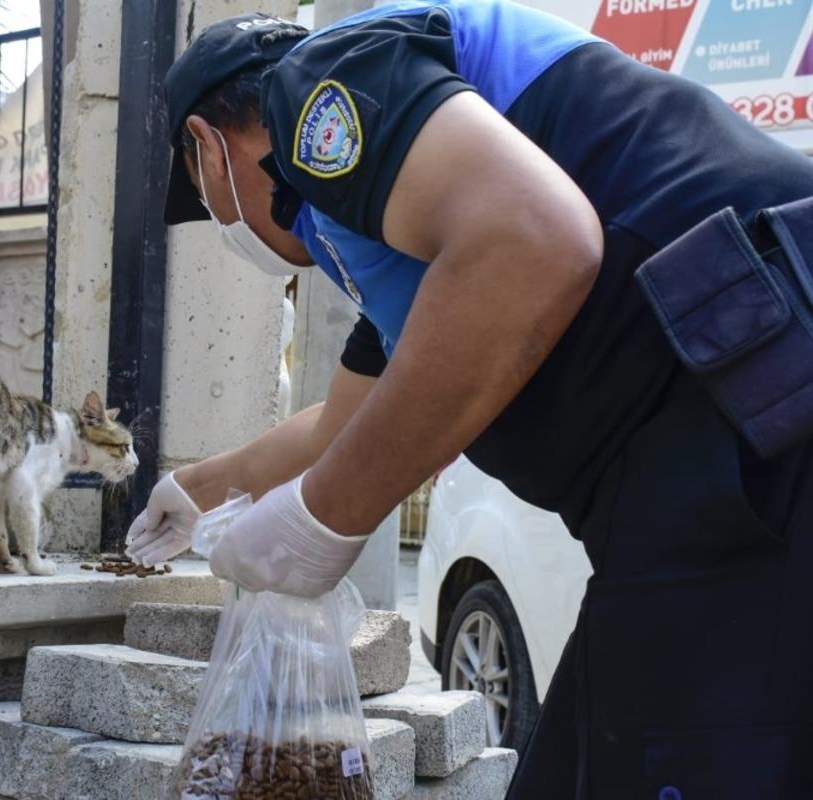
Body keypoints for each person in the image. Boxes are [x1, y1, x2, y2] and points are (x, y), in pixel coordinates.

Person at [125, 1, 813, 796]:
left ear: (207, 147)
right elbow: (349, 423)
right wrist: (198, 491)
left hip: (758, 397)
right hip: (708, 457)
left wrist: (324, 518)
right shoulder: (404, 253)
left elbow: (536, 239)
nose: (221, 223)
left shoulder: (319, 80)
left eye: (202, 200)